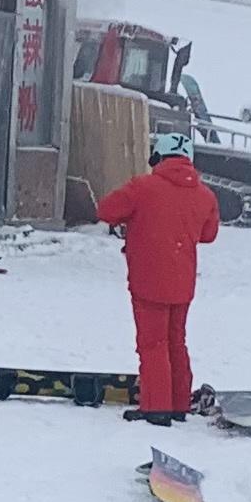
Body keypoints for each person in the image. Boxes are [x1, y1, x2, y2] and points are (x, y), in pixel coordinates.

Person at [97, 124, 223, 424]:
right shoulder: (206, 196)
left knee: (153, 344)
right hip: (183, 281)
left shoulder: (142, 187)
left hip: (148, 280)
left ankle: (156, 409)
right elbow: (209, 234)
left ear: (159, 157)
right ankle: (179, 405)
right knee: (176, 342)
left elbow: (105, 210)